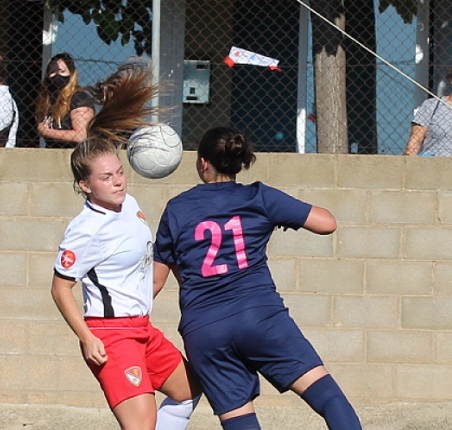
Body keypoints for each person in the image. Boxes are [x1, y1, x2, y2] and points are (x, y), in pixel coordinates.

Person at [153, 127, 362, 430]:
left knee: (239, 419)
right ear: (239, 162)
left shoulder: (177, 208)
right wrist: (281, 218)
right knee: (328, 398)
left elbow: (156, 282)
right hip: (260, 317)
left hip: (205, 329)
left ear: (202, 163)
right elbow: (327, 223)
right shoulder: (260, 198)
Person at [50, 65, 200, 430]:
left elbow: (147, 261)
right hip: (111, 335)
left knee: (190, 388)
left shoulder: (130, 203)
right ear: (85, 186)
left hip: (143, 328)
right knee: (141, 423)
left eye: (119, 172)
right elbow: (60, 288)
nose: (118, 181)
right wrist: (86, 337)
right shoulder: (84, 230)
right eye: (106, 177)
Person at [35, 53, 95, 148]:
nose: (57, 75)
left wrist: (47, 132)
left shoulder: (79, 98)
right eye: (52, 72)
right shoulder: (49, 100)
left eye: (62, 71)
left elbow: (81, 135)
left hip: (74, 154)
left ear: (71, 74)